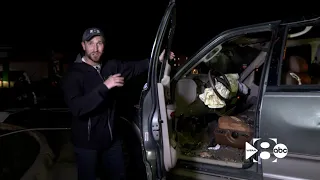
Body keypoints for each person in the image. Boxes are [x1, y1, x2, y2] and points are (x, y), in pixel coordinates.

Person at [61, 27, 174, 180]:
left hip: (111, 139)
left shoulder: (111, 66)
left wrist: (158, 60)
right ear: (83, 46)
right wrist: (105, 86)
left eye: (99, 43)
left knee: (120, 175)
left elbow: (135, 68)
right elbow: (77, 108)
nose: (95, 48)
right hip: (86, 145)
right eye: (91, 43)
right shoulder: (74, 74)